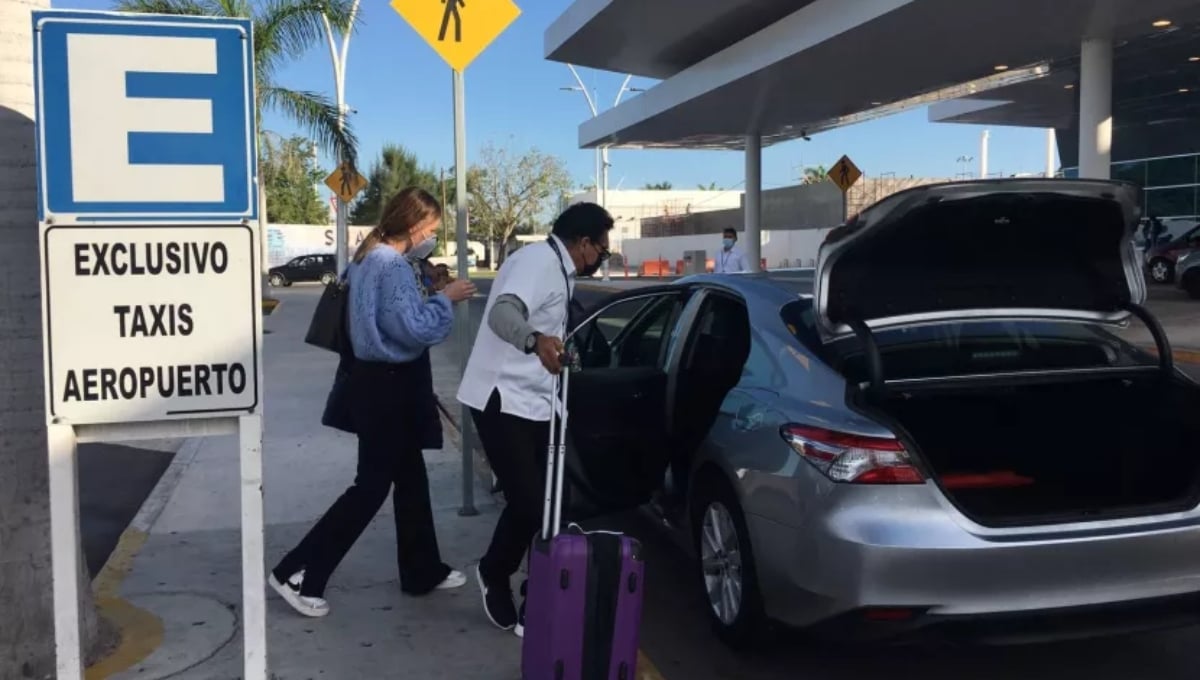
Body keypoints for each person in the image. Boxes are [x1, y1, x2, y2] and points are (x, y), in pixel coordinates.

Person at [269, 187, 477, 618]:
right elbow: (412, 328)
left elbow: (386, 314)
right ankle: (298, 570)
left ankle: (422, 569)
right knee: (371, 487)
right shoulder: (390, 265)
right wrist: (446, 299)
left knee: (411, 479)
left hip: (375, 383)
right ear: (416, 224)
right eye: (433, 229)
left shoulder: (370, 258)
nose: (433, 237)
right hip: (389, 387)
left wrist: (429, 286)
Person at [457, 202, 613, 637]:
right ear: (582, 243)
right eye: (601, 250)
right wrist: (535, 340)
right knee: (528, 502)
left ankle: (537, 599)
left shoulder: (559, 269)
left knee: (551, 504)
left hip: (537, 401)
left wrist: (559, 345)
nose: (601, 259)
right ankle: (493, 572)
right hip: (500, 398)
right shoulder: (537, 261)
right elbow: (502, 313)